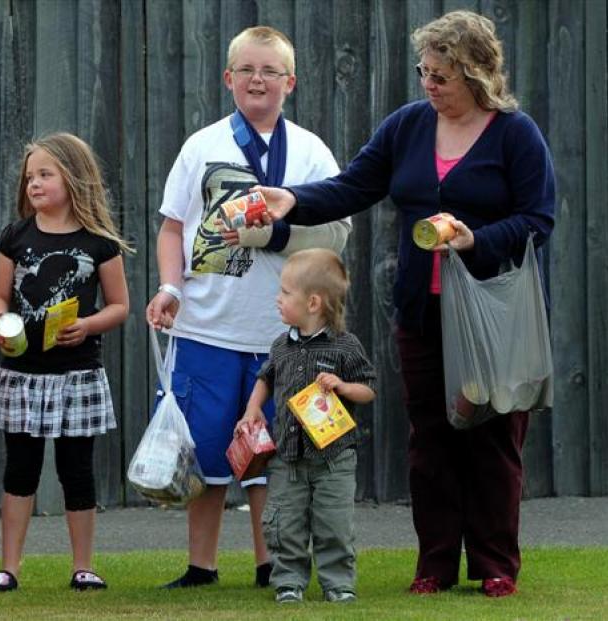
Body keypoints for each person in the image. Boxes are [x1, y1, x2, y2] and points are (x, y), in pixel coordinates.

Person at [255, 10, 556, 598]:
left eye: (441, 75)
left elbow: (538, 218)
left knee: (493, 440)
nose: (429, 85)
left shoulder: (516, 134)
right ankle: (436, 564)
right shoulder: (409, 126)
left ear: (475, 73)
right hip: (422, 315)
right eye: (425, 72)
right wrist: (291, 199)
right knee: (431, 441)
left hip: (494, 319)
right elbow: (354, 186)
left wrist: (476, 238)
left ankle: (496, 564)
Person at [144, 25, 351, 589]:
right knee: (206, 453)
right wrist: (170, 289)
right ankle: (200, 568)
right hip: (206, 328)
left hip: (284, 335)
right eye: (247, 70)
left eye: (270, 71)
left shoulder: (310, 152)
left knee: (277, 457)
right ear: (228, 78)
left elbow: (336, 235)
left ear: (291, 82)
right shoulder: (202, 146)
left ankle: (273, 566)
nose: (258, 80)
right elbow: (172, 228)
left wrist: (275, 238)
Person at [0, 133, 130, 593]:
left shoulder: (99, 243)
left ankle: (83, 566)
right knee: (19, 469)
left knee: (76, 470)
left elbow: (119, 305)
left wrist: (87, 326)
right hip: (23, 374)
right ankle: (9, 567)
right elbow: (0, 296)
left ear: (74, 177)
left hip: (76, 374)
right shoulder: (15, 236)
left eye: (45, 175)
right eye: (30, 178)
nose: (34, 185)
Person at [235, 249, 376, 604]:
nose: (278, 299)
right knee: (285, 524)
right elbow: (265, 378)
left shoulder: (345, 346)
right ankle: (288, 582)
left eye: (285, 292)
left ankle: (338, 583)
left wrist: (343, 387)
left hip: (334, 459)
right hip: (287, 458)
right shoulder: (281, 346)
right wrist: (253, 410)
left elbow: (368, 389)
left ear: (313, 302)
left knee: (334, 524)